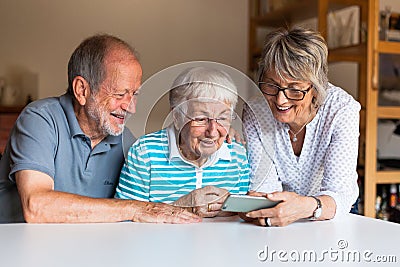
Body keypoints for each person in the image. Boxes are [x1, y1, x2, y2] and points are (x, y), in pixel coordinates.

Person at [0, 34, 201, 224]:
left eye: (135, 94)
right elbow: (36, 207)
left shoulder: (125, 140)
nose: (131, 107)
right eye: (121, 94)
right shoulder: (39, 118)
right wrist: (132, 209)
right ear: (82, 90)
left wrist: (216, 137)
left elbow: (153, 199)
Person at [242, 27, 360, 227]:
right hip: (277, 217)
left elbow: (338, 194)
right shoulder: (256, 111)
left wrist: (304, 207)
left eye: (294, 89)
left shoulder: (341, 110)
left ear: (316, 87)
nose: (281, 100)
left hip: (330, 216)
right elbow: (265, 188)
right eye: (271, 85)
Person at [115, 66, 250, 217]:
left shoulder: (238, 156)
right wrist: (181, 207)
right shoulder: (145, 154)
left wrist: (235, 209)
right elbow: (124, 219)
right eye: (201, 119)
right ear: (177, 118)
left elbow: (245, 222)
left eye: (222, 118)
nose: (212, 132)